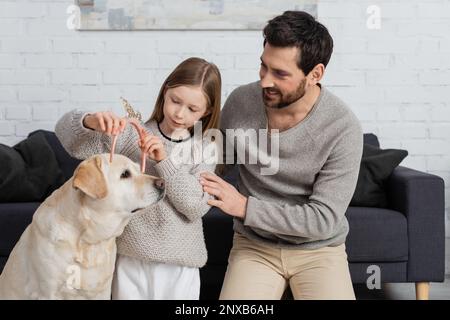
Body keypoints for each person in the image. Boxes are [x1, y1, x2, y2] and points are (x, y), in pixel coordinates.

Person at [199, 11, 363, 300]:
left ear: (315, 74)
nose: (264, 81)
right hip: (254, 246)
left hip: (319, 250)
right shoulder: (241, 102)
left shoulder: (342, 128)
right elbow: (214, 161)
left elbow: (322, 219)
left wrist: (244, 207)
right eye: (264, 67)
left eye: (280, 74)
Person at [55, 57, 221, 300]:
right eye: (175, 100)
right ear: (165, 91)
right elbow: (68, 139)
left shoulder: (205, 148)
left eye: (192, 109)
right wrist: (90, 121)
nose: (179, 113)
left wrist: (164, 160)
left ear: (206, 111)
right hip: (129, 258)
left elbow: (194, 207)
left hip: (180, 265)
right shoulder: (130, 135)